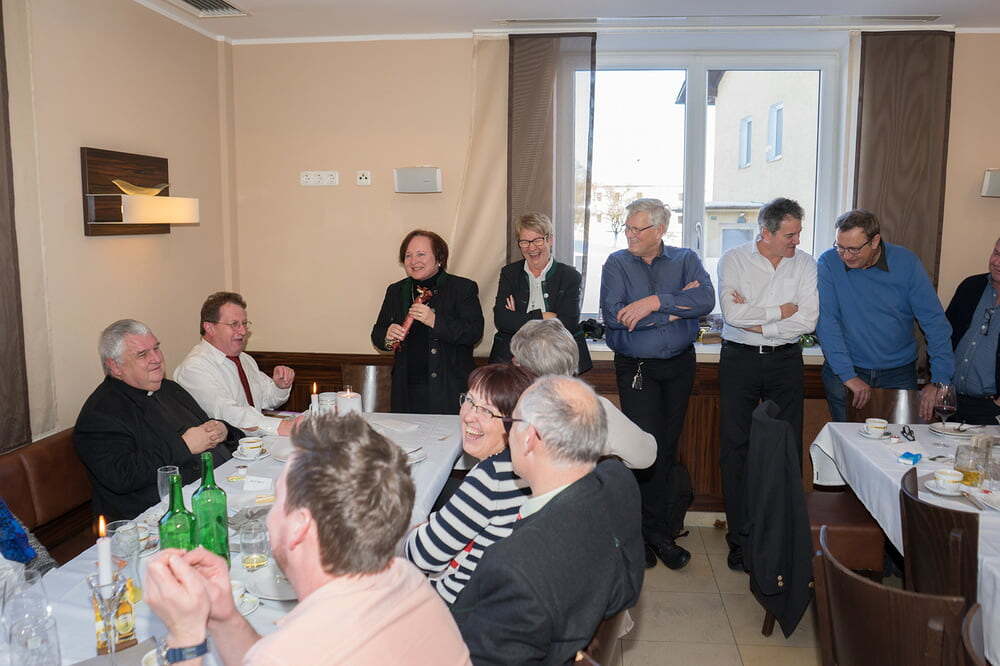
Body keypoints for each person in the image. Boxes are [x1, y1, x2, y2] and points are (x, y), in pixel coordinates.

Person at [144, 412, 471, 666]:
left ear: (299, 525)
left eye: (277, 501)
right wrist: (223, 616)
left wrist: (186, 637)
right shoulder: (406, 579)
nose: (269, 517)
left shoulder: (293, 652)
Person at [450, 376, 644, 664]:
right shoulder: (619, 481)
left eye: (512, 423)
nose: (508, 433)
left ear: (529, 438)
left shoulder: (514, 568)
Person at [599, 198, 715, 570]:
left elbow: (705, 300)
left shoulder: (685, 259)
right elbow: (615, 317)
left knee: (667, 448)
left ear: (660, 230)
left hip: (679, 366)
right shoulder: (617, 263)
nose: (630, 235)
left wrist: (652, 303)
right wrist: (674, 310)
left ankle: (659, 532)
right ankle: (642, 534)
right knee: (642, 450)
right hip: (637, 369)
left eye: (638, 229)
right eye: (628, 228)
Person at [717, 197, 818, 572]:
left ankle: (779, 538)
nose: (797, 241)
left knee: (786, 448)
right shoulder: (734, 260)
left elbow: (807, 321)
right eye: (790, 235)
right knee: (736, 448)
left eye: (798, 233)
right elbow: (732, 314)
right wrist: (780, 312)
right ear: (766, 232)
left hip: (786, 361)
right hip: (740, 361)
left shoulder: (805, 263)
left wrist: (760, 323)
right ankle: (740, 539)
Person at [74, 320, 239, 521]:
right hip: (154, 516)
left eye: (156, 348)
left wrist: (223, 429)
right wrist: (184, 446)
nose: (156, 359)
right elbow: (122, 476)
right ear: (115, 366)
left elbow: (206, 425)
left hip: (214, 489)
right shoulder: (100, 414)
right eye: (142, 354)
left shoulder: (169, 388)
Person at [405, 364, 535, 604]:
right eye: (470, 401)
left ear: (514, 423)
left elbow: (422, 556)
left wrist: (416, 530)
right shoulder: (528, 465)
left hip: (458, 606)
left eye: (487, 411)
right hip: (496, 596)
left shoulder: (491, 478)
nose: (469, 416)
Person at [817, 209, 954, 422]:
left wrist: (940, 381)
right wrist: (848, 376)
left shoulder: (906, 263)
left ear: (875, 241)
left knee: (902, 438)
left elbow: (934, 322)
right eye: (840, 247)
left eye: (853, 249)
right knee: (846, 438)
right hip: (846, 369)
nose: (845, 256)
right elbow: (827, 323)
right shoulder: (829, 262)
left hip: (898, 372)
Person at [510, 318, 655, 469]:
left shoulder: (505, 401)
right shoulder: (595, 408)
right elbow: (645, 456)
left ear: (526, 368)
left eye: (516, 359)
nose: (512, 361)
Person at [371, 230, 484, 414]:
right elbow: (377, 335)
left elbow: (473, 332)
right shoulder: (396, 290)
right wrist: (387, 336)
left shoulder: (462, 288)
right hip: (406, 390)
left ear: (439, 258)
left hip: (448, 389)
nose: (413, 261)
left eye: (421, 254)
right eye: (408, 255)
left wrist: (434, 321)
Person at [174, 292, 299, 436]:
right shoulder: (193, 368)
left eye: (244, 323)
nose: (243, 331)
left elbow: (267, 399)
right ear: (210, 328)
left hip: (254, 442)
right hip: (224, 446)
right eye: (234, 324)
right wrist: (282, 427)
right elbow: (228, 414)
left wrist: (280, 386)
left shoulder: (245, 359)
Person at [489, 212, 592, 374]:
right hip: (514, 359)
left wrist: (520, 318)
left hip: (558, 358)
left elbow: (568, 322)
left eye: (537, 240)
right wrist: (544, 316)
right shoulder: (510, 273)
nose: (531, 248)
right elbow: (502, 320)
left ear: (549, 240)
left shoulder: (569, 276)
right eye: (524, 242)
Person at [944, 236, 1000, 425]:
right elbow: (943, 336)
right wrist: (937, 382)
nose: (997, 262)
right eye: (996, 253)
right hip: (952, 401)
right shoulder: (971, 286)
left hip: (991, 409)